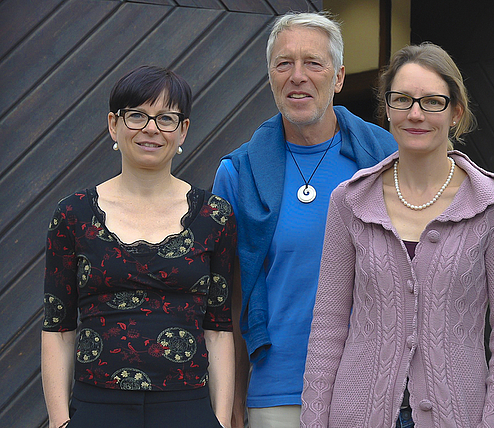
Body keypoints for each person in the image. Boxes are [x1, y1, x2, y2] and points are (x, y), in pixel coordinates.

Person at [300, 42, 494, 428]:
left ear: (456, 111)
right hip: (356, 415)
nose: (416, 114)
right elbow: (328, 323)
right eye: (402, 100)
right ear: (387, 109)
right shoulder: (351, 200)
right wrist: (314, 420)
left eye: (432, 102)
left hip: (460, 416)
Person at [212, 12, 397, 428]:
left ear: (338, 77)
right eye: (284, 63)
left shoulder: (385, 161)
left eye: (313, 63)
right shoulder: (238, 174)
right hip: (275, 392)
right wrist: (231, 397)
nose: (298, 76)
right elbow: (228, 298)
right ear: (270, 76)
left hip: (369, 389)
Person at [41, 65, 236, 428]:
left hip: (187, 406)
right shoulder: (73, 215)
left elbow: (219, 328)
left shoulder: (215, 215)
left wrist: (221, 421)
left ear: (183, 131)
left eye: (166, 118)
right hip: (97, 406)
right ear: (114, 124)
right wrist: (58, 421)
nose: (151, 128)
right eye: (137, 116)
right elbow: (59, 327)